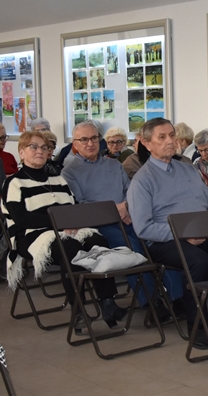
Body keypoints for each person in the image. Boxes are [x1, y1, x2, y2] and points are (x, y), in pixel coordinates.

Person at [127, 118, 208, 349]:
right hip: (166, 240)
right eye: (162, 137)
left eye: (171, 135)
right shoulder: (142, 180)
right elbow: (144, 228)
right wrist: (182, 234)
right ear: (147, 144)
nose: (170, 141)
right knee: (198, 260)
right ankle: (198, 323)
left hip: (203, 232)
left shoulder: (188, 169)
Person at [2, 131, 128, 332]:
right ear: (21, 152)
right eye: (33, 147)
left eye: (44, 148)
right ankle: (78, 309)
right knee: (70, 247)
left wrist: (72, 222)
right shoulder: (14, 182)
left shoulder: (58, 179)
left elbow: (72, 207)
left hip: (64, 229)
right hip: (30, 236)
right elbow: (22, 219)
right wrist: (60, 223)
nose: (40, 151)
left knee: (98, 241)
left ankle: (107, 302)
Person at [62, 121, 179, 320]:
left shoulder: (114, 164)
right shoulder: (69, 171)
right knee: (131, 248)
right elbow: (81, 204)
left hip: (128, 216)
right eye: (84, 139)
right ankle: (152, 303)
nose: (90, 143)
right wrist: (116, 211)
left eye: (94, 138)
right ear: (75, 144)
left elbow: (130, 190)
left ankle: (178, 297)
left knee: (159, 240)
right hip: (99, 224)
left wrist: (126, 207)